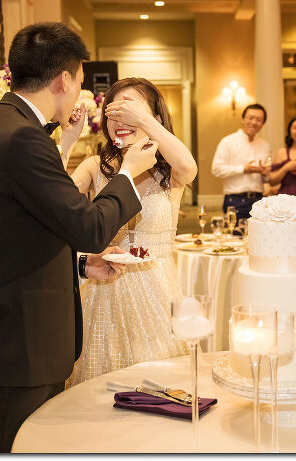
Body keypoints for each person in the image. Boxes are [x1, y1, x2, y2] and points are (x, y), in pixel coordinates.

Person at [0, 22, 157, 452]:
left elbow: (22, 235)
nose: (80, 91)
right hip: (14, 350)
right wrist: (128, 174)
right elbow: (90, 227)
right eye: (80, 80)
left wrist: (82, 264)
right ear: (63, 80)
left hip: (19, 343)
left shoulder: (12, 125)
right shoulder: (22, 137)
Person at [67, 78, 198, 385]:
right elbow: (55, 204)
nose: (121, 119)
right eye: (114, 112)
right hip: (104, 293)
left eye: (130, 110)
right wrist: (69, 141)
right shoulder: (94, 166)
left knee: (162, 389)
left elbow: (189, 167)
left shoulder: (169, 171)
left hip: (158, 294)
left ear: (155, 118)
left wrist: (144, 121)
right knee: (101, 388)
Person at [211, 103, 271, 222]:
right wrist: (243, 169)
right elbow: (216, 169)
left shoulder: (264, 145)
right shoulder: (228, 141)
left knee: (258, 234)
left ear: (263, 124)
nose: (254, 122)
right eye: (251, 118)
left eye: (259, 120)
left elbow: (266, 178)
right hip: (235, 200)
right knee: (234, 233)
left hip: (259, 200)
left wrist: (265, 173)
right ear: (243, 119)